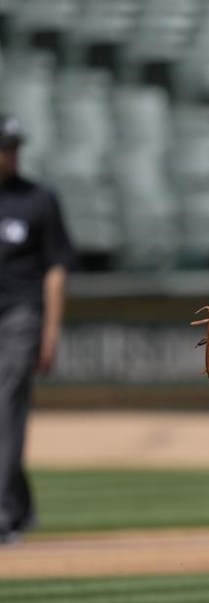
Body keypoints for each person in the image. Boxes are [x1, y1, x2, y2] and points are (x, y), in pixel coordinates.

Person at [0, 114, 76, 545]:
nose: (11, 153)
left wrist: (50, 331)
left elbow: (55, 270)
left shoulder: (37, 200)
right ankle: (22, 504)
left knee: (7, 409)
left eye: (14, 146)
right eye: (4, 146)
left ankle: (5, 516)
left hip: (19, 316)